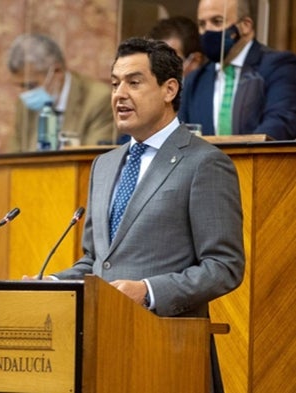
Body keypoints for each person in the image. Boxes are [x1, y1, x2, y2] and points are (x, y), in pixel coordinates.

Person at [25, 37, 245, 393]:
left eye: (134, 82)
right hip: (101, 355)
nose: (119, 94)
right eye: (114, 84)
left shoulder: (204, 163)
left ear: (169, 89)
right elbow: (97, 262)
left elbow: (224, 267)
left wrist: (147, 291)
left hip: (168, 355)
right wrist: (50, 286)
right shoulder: (105, 165)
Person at [179, 0, 296, 139]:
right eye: (202, 24)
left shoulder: (278, 66)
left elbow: (280, 122)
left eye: (217, 21)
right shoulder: (195, 80)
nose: (207, 30)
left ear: (245, 25)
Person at [6, 33, 116, 152]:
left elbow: (93, 161)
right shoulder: (24, 106)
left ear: (57, 71)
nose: (25, 93)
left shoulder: (98, 100)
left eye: (31, 85)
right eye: (20, 86)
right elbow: (13, 158)